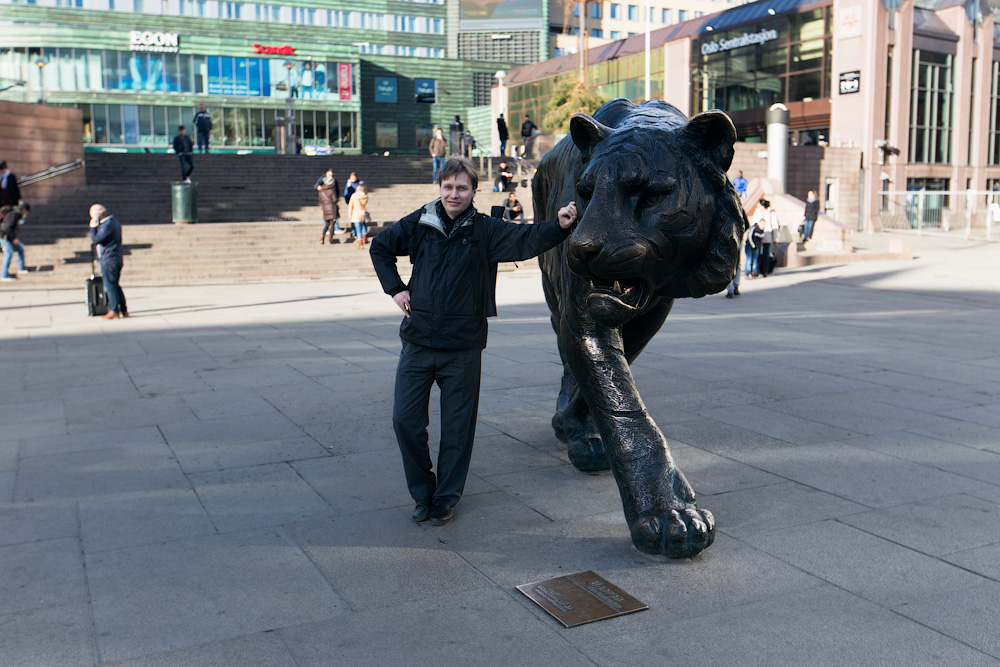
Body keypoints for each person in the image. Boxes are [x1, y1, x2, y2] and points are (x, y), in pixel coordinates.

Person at [369, 157, 577, 527]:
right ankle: (422, 492)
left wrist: (559, 226)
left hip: (463, 347)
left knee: (458, 429)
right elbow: (380, 247)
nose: (454, 193)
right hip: (418, 342)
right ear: (440, 188)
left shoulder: (485, 229)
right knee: (405, 421)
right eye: (448, 186)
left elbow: (526, 238)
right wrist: (396, 289)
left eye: (462, 187)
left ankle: (445, 498)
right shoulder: (421, 222)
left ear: (473, 191)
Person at [88, 204, 127, 319]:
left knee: (110, 285)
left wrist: (93, 228)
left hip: (109, 259)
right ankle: (123, 309)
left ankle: (114, 310)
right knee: (114, 284)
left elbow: (96, 239)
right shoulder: (113, 222)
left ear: (97, 216)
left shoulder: (107, 225)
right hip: (115, 257)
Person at [1, 202, 30, 281]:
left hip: (8, 236)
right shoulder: (15, 214)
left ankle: (21, 268)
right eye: (26, 212)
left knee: (21, 249)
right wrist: (13, 238)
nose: (26, 214)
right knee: (9, 254)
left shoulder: (16, 213)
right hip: (4, 236)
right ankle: (4, 275)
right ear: (24, 210)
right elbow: (8, 227)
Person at [315, 168, 342, 243]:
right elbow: (335, 199)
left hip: (325, 207)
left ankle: (322, 237)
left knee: (326, 223)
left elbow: (320, 200)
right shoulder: (332, 189)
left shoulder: (321, 191)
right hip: (332, 207)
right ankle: (330, 238)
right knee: (332, 223)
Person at [757, 198, 780, 277]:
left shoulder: (771, 213)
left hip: (767, 237)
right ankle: (758, 270)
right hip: (757, 237)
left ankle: (765, 270)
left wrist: (775, 238)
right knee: (758, 254)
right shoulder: (758, 212)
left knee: (766, 254)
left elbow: (775, 227)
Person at [348, 183, 369, 248]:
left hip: (356, 213)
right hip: (363, 213)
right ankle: (365, 239)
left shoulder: (354, 195)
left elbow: (351, 206)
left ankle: (360, 244)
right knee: (364, 227)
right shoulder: (365, 196)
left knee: (358, 229)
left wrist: (349, 215)